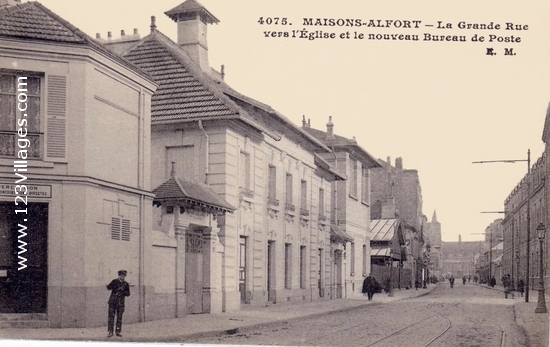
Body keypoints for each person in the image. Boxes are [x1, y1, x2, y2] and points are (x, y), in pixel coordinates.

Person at [107, 270, 130, 337]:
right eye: (121, 276)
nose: (122, 277)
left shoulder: (126, 284)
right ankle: (110, 332)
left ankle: (118, 331)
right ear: (119, 276)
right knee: (111, 317)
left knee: (119, 318)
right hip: (112, 302)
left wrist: (123, 291)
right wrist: (115, 288)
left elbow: (128, 294)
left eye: (124, 276)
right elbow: (108, 287)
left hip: (121, 303)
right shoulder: (114, 281)